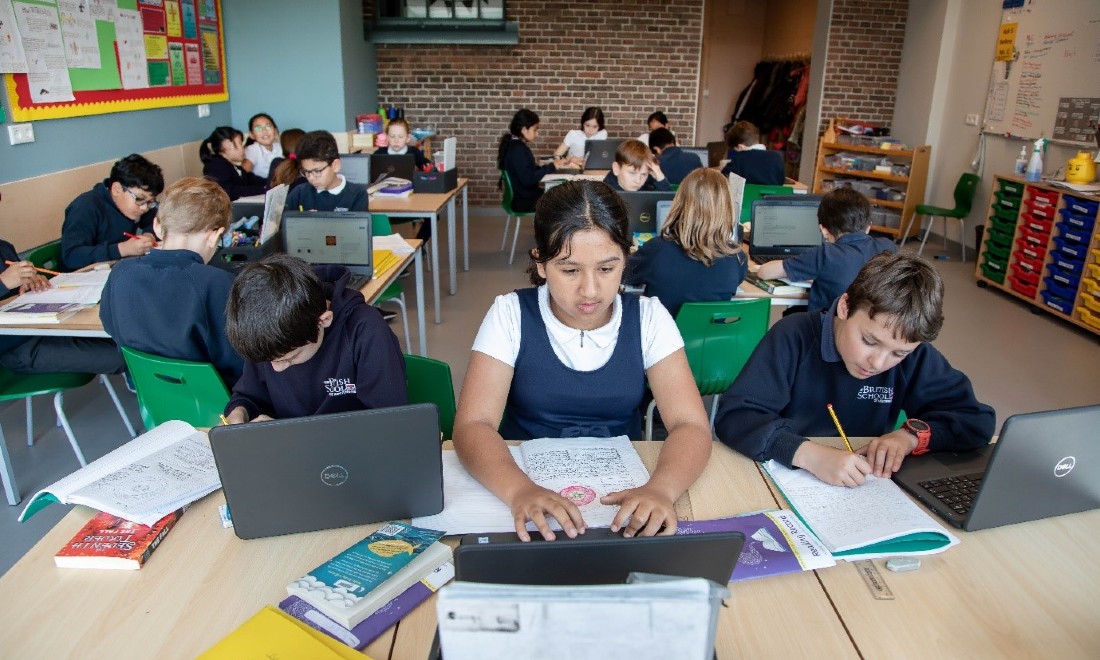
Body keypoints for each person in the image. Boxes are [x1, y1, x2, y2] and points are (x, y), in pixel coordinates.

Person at [452, 180, 712, 541]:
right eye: (570, 270)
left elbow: (690, 424)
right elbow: (473, 424)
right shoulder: (510, 314)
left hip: (620, 504)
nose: (590, 290)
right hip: (522, 490)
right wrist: (518, 490)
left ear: (627, 257)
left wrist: (662, 489)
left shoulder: (649, 317)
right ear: (540, 263)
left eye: (606, 269)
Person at [714, 252, 995, 487]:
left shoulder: (913, 354)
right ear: (845, 307)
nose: (878, 363)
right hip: (781, 479)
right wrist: (807, 454)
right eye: (869, 341)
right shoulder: (794, 336)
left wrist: (909, 436)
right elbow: (737, 416)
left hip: (860, 489)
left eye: (898, 354)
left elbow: (975, 420)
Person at [222, 254, 406, 424]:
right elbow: (249, 395)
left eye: (289, 358)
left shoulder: (366, 331)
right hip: (289, 449)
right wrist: (239, 413)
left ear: (324, 321)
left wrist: (291, 436)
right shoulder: (266, 334)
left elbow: (387, 424)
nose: (276, 369)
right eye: (269, 360)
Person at [99, 177, 244, 387]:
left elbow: (111, 326)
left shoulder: (120, 273)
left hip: (151, 397)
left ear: (157, 226)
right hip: (221, 402)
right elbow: (238, 357)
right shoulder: (217, 283)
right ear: (216, 235)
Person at [625, 168, 748, 318]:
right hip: (710, 340)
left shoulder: (657, 250)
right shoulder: (737, 258)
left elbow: (623, 274)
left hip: (660, 339)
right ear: (727, 208)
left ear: (679, 203)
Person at [755, 187, 897, 312]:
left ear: (823, 229)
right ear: (869, 226)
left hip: (828, 330)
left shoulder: (824, 255)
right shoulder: (889, 247)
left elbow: (764, 272)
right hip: (875, 328)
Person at [0, 238, 125, 376]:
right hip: (17, 346)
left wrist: (30, 281)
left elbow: (16, 288)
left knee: (127, 342)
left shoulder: (3, 247)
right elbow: (6, 283)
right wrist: (3, 282)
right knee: (120, 357)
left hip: (50, 326)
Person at [60, 154, 163, 271]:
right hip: (83, 279)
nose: (144, 208)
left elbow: (156, 220)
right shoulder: (85, 207)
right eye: (139, 199)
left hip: (119, 269)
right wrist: (122, 249)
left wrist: (148, 236)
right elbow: (71, 256)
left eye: (150, 202)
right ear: (116, 189)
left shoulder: (136, 206)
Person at [497, 108, 571, 213]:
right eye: (535, 129)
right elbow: (528, 179)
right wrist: (552, 166)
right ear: (524, 130)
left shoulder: (516, 146)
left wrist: (551, 165)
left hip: (524, 196)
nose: (537, 133)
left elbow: (528, 170)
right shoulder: (518, 150)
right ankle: (554, 229)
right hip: (523, 201)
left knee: (560, 195)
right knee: (564, 199)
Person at [285, 130, 368, 213]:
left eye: (317, 171)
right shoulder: (298, 194)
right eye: (306, 172)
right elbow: (283, 224)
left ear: (335, 165)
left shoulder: (357, 194)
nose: (311, 178)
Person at [200, 126, 268, 201]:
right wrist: (263, 189)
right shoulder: (216, 165)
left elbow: (251, 179)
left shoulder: (234, 167)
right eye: (240, 143)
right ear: (227, 144)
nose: (243, 148)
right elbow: (230, 191)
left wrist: (272, 183)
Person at [720, 120, 785, 185]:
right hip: (771, 195)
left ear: (741, 147)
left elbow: (722, 181)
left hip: (747, 195)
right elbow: (781, 183)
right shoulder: (777, 158)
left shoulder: (739, 160)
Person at [602, 139, 672, 192]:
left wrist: (660, 176)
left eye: (644, 174)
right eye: (632, 173)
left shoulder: (647, 189)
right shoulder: (603, 195)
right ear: (616, 169)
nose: (638, 181)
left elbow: (670, 206)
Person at [242, 113, 283, 180]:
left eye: (268, 126)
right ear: (251, 134)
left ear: (275, 131)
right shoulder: (253, 149)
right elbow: (243, 175)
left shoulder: (280, 147)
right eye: (258, 128)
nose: (264, 131)